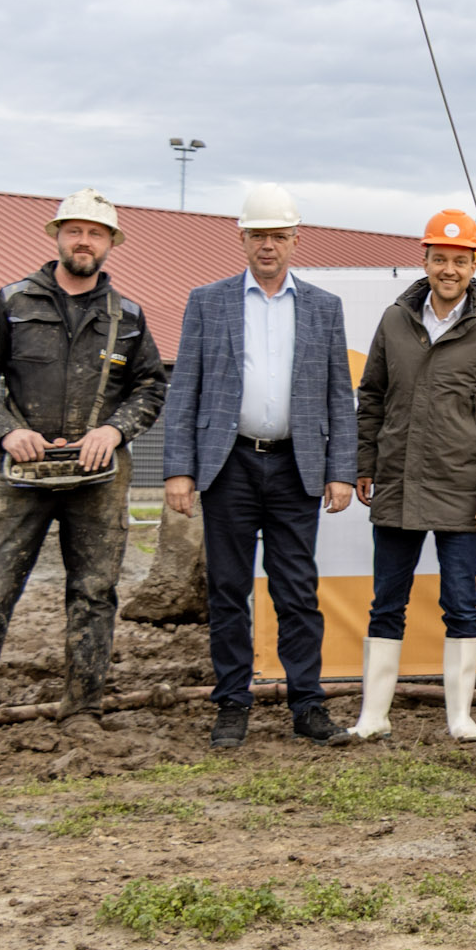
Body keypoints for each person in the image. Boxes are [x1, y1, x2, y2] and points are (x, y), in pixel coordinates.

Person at [0, 189, 168, 750]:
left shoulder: (128, 317)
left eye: (96, 233)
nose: (84, 241)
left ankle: (81, 711)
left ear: (111, 243)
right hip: (22, 473)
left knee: (94, 593)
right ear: (57, 236)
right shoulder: (13, 302)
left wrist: (113, 432)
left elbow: (151, 386)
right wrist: (6, 430)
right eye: (75, 231)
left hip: (98, 476)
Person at [159, 184, 358, 749]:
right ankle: (231, 706)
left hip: (296, 466)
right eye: (258, 235)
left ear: (295, 240)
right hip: (231, 466)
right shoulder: (208, 301)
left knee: (297, 590)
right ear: (241, 237)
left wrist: (340, 469)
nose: (268, 245)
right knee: (227, 589)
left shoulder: (323, 307)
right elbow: (186, 390)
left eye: (278, 236)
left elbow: (338, 395)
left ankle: (307, 705)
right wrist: (180, 469)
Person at [347, 209, 476, 744]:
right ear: (423, 261)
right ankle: (373, 715)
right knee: (387, 600)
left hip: (463, 490)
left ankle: (459, 716)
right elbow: (372, 397)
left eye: (460, 260)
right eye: (439, 258)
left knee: (460, 601)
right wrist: (364, 464)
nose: (449, 269)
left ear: (474, 265)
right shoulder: (393, 321)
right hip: (398, 485)